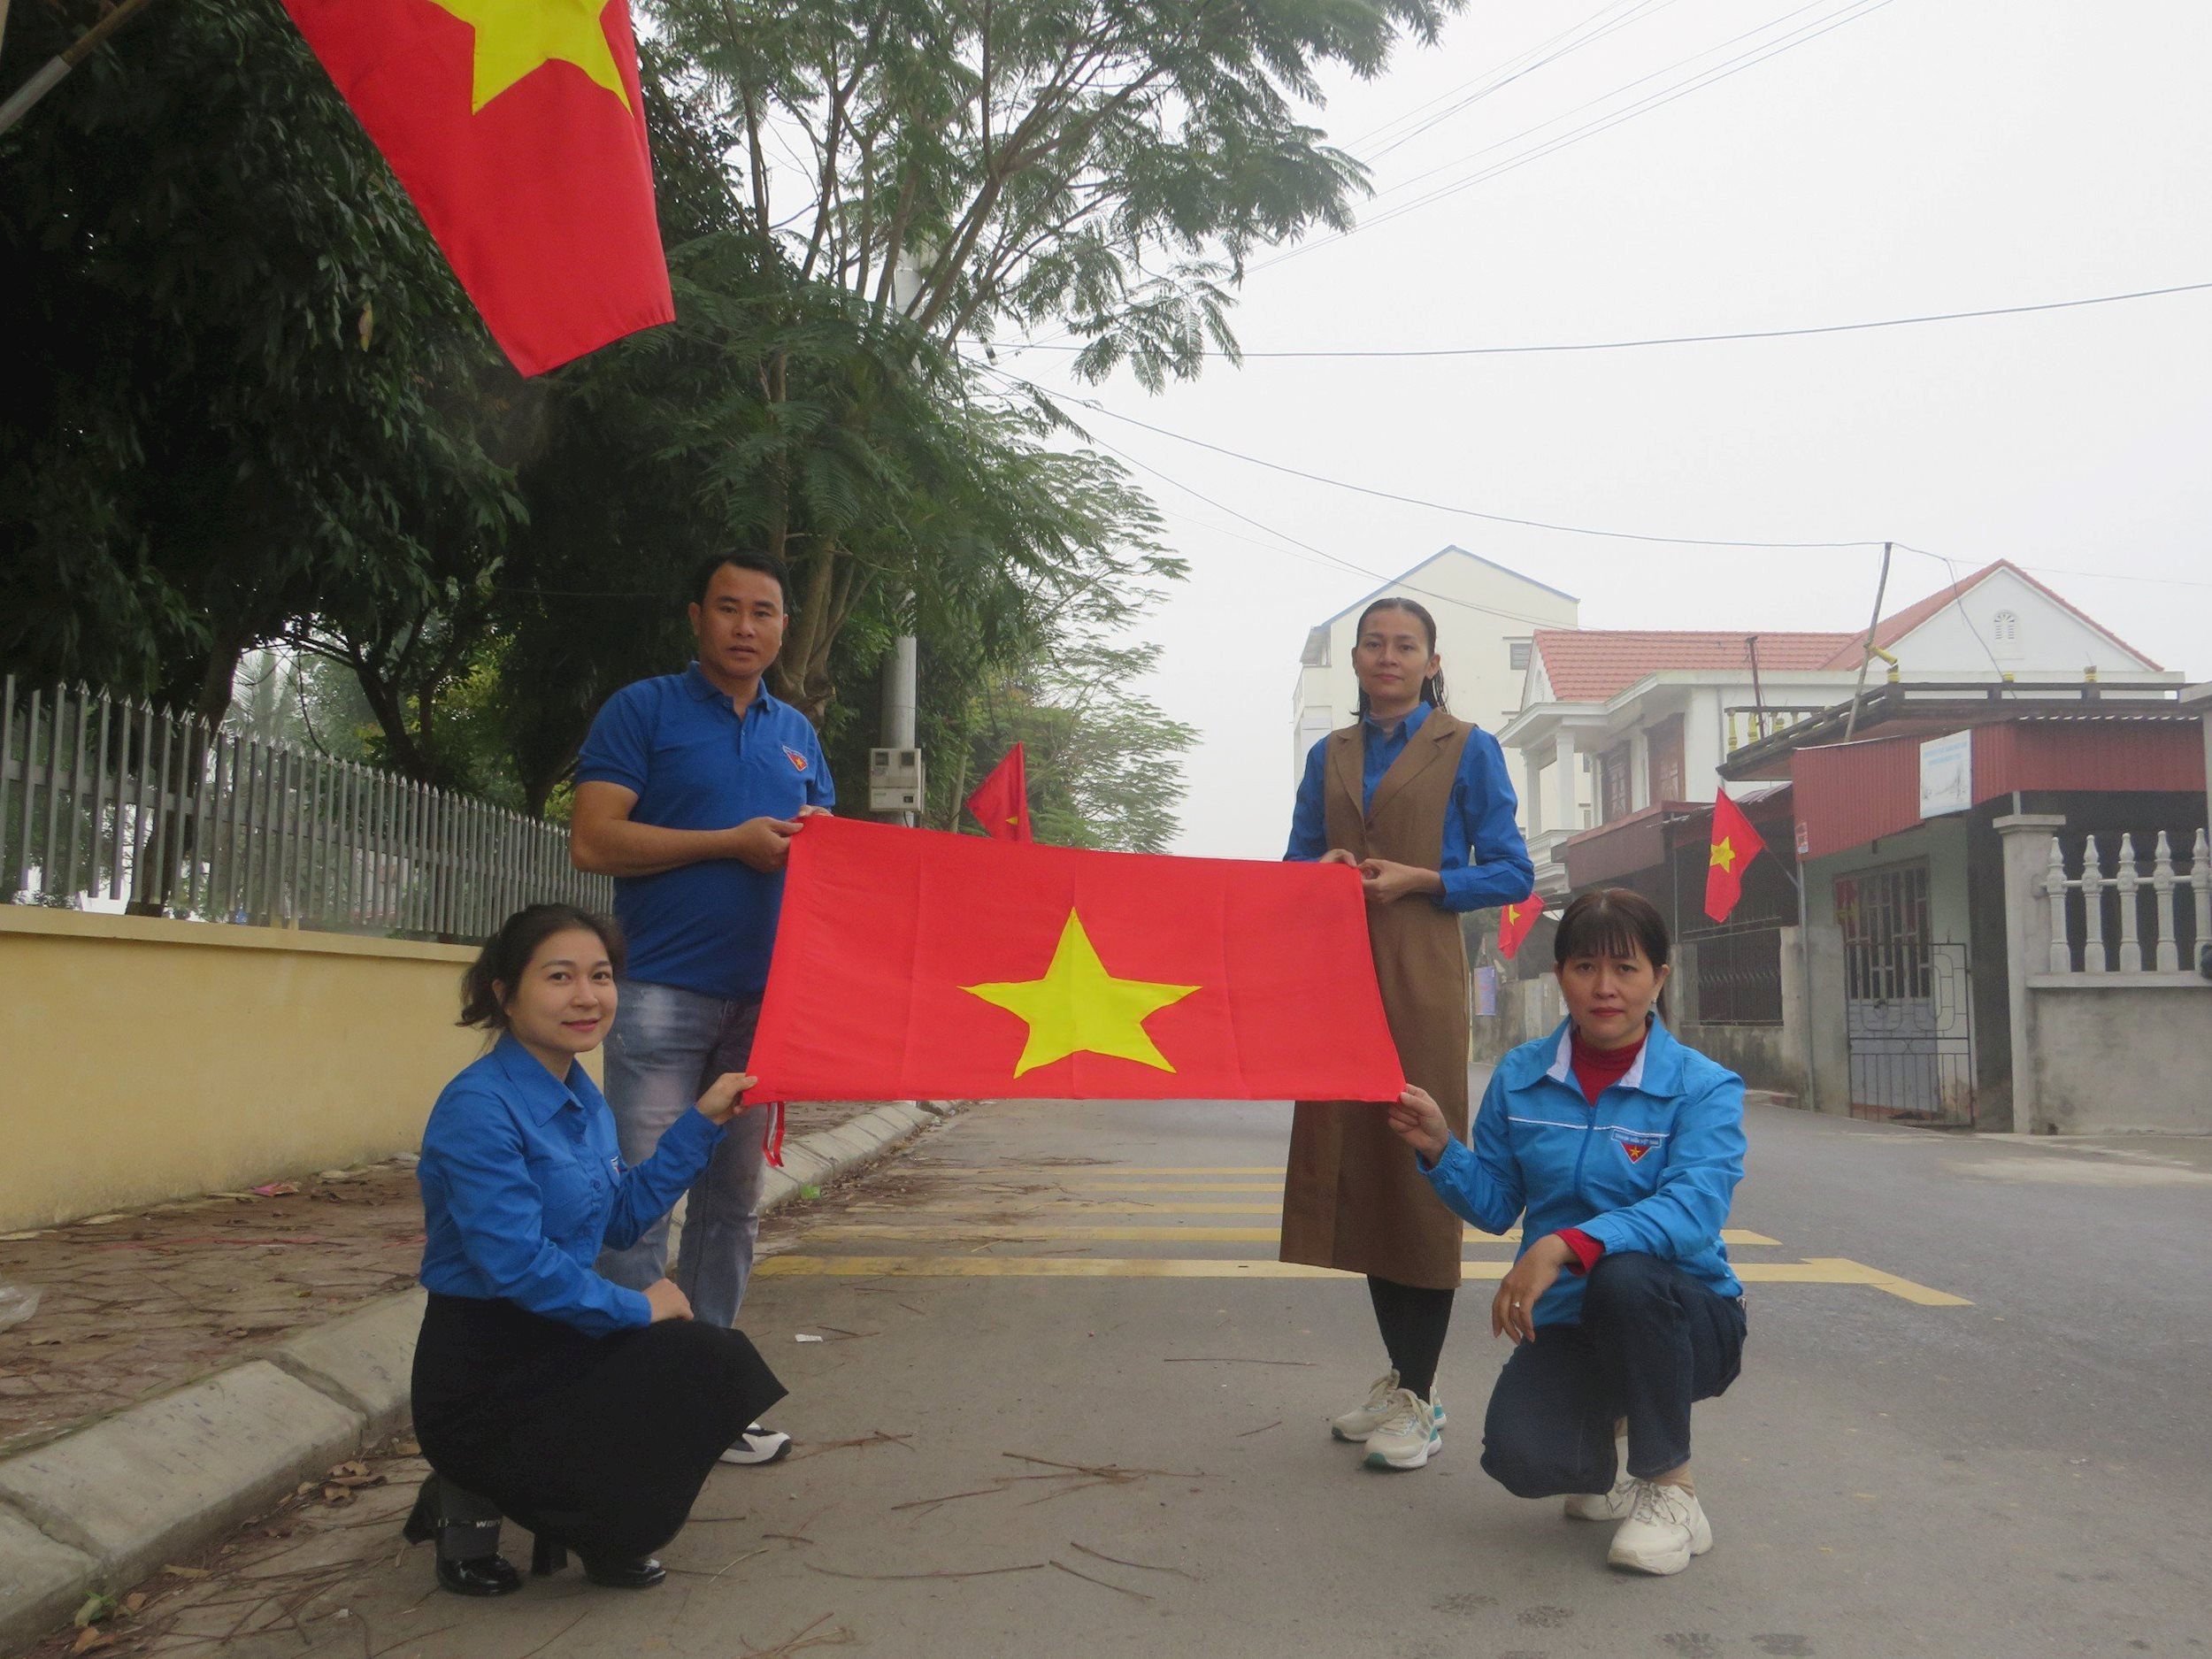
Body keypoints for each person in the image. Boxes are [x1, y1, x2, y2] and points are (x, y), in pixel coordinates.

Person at [404, 904, 786, 1596]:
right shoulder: (478, 1108)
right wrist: (633, 1306)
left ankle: (606, 1526)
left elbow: (620, 1218)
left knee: (714, 1362)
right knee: (669, 1350)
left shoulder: (583, 1097)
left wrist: (700, 1122)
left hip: (563, 1331)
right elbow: (513, 1263)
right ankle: (463, 1501)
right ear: (504, 992)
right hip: (485, 1360)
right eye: (560, 976)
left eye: (601, 975)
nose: (586, 996)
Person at [1386, 887, 1748, 1577]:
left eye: (1626, 968)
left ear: (1659, 978)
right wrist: (1440, 1148)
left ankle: (1673, 1491)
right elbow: (1496, 1205)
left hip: (1687, 1317)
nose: (1604, 987)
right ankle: (1615, 1427)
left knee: (1626, 1272)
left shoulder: (1703, 1087)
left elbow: (1695, 1207)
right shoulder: (1522, 1076)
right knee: (1524, 1457)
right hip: (1571, 1322)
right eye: (1584, 967)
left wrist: (1565, 1242)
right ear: (1560, 976)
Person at [569, 551, 833, 1465]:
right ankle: (628, 1391)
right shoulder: (641, 709)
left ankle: (707, 1397)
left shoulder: (797, 733)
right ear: (696, 617)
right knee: (640, 1200)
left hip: (764, 1012)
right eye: (728, 608)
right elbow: (594, 841)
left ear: (783, 628)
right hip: (659, 999)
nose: (745, 627)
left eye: (764, 611)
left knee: (732, 1207)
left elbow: (829, 866)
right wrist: (729, 841)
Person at [1281, 595, 1534, 1473]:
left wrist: (1424, 880)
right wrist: (1318, 871)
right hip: (1339, 979)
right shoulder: (1332, 754)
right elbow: (1293, 859)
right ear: (1354, 661)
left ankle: (1422, 1402)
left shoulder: (1468, 748)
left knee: (1416, 1166)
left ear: (1431, 663)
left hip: (1420, 975)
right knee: (1357, 1172)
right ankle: (1401, 1376)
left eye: (1405, 646)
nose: (1388, 657)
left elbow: (1510, 870)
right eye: (1373, 644)